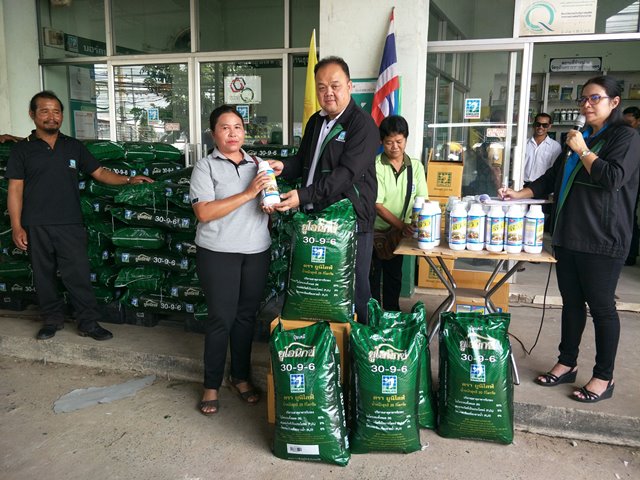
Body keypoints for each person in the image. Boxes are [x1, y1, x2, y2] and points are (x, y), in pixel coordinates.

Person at [499, 76, 640, 403]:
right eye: (583, 99)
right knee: (571, 304)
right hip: (569, 235)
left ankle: (604, 376)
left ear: (614, 102)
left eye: (595, 98)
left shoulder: (626, 137)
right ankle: (567, 362)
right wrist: (520, 194)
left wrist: (583, 150)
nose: (586, 104)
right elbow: (553, 177)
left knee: (602, 309)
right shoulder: (580, 136)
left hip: (602, 238)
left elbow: (613, 178)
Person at [5, 90, 153, 341]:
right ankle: (51, 320)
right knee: (43, 276)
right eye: (45, 111)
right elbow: (15, 190)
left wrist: (129, 180)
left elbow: (100, 173)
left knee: (78, 275)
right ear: (32, 114)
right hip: (36, 224)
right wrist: (17, 226)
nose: (51, 116)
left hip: (70, 223)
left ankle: (88, 322)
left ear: (61, 116)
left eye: (56, 111)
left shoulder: (73, 146)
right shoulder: (22, 150)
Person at [268, 56, 379, 323]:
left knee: (353, 288)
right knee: (318, 286)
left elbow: (346, 175)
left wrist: (303, 196)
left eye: (335, 85)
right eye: (321, 87)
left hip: (350, 222)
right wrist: (284, 166)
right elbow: (304, 161)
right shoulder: (316, 121)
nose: (328, 92)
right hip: (316, 219)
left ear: (349, 86)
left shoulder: (362, 125)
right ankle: (323, 343)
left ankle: (360, 342)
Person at [189, 104, 272, 415]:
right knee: (220, 318)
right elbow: (204, 212)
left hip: (256, 251)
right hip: (218, 253)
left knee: (245, 318)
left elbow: (266, 200)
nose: (233, 133)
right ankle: (211, 385)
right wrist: (248, 194)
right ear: (214, 134)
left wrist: (270, 204)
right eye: (225, 127)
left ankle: (240, 377)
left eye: (238, 127)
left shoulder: (258, 165)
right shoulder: (205, 167)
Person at [369, 115, 427, 311]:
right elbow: (377, 205)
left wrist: (413, 227)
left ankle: (392, 314)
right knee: (372, 278)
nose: (395, 147)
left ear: (406, 139)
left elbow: (422, 200)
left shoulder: (415, 166)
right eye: (389, 142)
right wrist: (403, 226)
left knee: (394, 277)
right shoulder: (375, 166)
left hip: (400, 234)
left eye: (399, 141)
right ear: (381, 142)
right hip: (375, 232)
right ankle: (373, 317)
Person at [523, 113, 562, 186]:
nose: (541, 127)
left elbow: (554, 170)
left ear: (549, 126)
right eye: (538, 124)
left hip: (541, 186)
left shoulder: (555, 147)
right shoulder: (523, 143)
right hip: (521, 184)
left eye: (545, 125)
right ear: (534, 125)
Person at [622, 106, 640, 266]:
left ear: (638, 121)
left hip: (634, 182)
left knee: (631, 218)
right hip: (624, 182)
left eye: (630, 122)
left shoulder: (636, 138)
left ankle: (631, 254)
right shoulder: (622, 137)